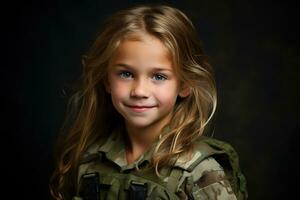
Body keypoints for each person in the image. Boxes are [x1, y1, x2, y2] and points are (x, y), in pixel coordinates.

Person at [50, 4, 248, 200]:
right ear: (107, 81)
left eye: (159, 77)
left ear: (185, 85)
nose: (139, 91)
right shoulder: (90, 159)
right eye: (126, 74)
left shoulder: (200, 172)